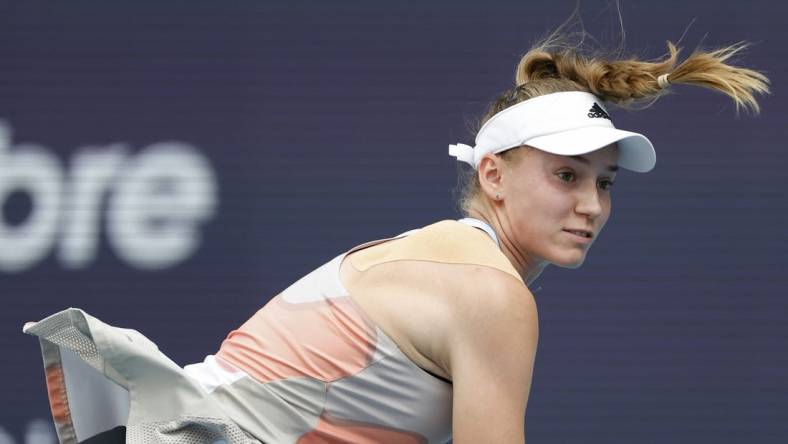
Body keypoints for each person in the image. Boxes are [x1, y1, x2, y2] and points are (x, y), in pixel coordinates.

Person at [23, 24, 769, 444]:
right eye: (566, 176)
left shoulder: (441, 255)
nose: (592, 206)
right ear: (494, 175)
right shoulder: (491, 294)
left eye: (602, 183)